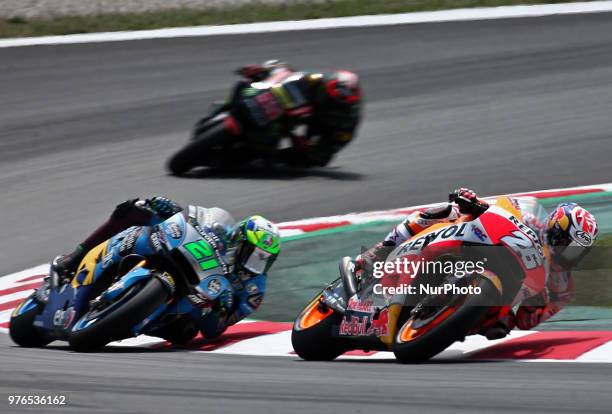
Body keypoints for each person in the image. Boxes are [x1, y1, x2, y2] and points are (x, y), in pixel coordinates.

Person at [355, 188, 599, 339]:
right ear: (555, 229)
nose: (570, 254)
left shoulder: (562, 287)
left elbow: (526, 321)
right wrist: (473, 201)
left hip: (498, 297)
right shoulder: (531, 218)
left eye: (577, 251)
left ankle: (442, 318)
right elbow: (499, 209)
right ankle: (379, 252)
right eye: (568, 245)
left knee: (499, 324)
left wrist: (531, 309)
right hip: (484, 248)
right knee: (447, 211)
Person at [51, 197, 281, 342]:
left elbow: (217, 330)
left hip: (192, 300)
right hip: (176, 255)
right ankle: (74, 258)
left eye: (264, 260)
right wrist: (168, 208)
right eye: (252, 254)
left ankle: (124, 321)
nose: (255, 263)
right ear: (240, 241)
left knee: (185, 332)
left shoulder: (254, 292)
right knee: (132, 211)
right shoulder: (222, 231)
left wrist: (222, 309)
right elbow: (194, 219)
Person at [219, 59, 362, 167]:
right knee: (246, 83)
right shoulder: (316, 79)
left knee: (316, 159)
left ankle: (269, 158)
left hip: (319, 123)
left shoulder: (348, 118)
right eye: (329, 97)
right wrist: (265, 70)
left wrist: (310, 148)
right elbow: (287, 73)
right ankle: (226, 107)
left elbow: (336, 143)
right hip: (294, 106)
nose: (331, 101)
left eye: (336, 102)